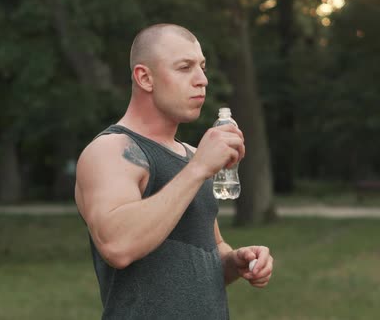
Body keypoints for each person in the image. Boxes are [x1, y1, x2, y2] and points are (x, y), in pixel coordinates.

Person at [75, 23, 273, 319]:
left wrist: (236, 261)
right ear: (145, 77)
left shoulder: (193, 156)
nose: (202, 80)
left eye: (203, 68)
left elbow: (209, 248)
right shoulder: (111, 150)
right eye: (185, 68)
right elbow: (117, 245)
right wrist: (199, 169)